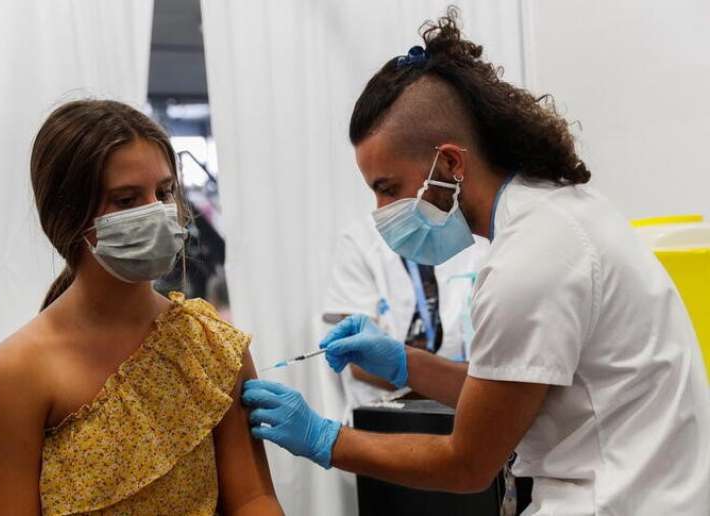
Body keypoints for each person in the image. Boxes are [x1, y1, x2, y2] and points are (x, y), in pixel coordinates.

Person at [243, 8, 710, 515]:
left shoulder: (532, 259)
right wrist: (405, 363)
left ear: (449, 163)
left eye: (388, 189)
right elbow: (507, 386)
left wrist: (324, 439)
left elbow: (466, 463)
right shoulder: (556, 214)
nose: (381, 213)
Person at [0, 100, 282, 516]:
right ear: (70, 216)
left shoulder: (210, 345)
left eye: (165, 192)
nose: (156, 212)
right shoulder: (18, 373)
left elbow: (254, 500)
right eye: (127, 199)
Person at [324, 215, 488, 414]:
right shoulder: (360, 239)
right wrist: (453, 381)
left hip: (472, 407)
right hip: (386, 414)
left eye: (389, 190)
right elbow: (360, 366)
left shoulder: (479, 236)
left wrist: (406, 369)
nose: (382, 207)